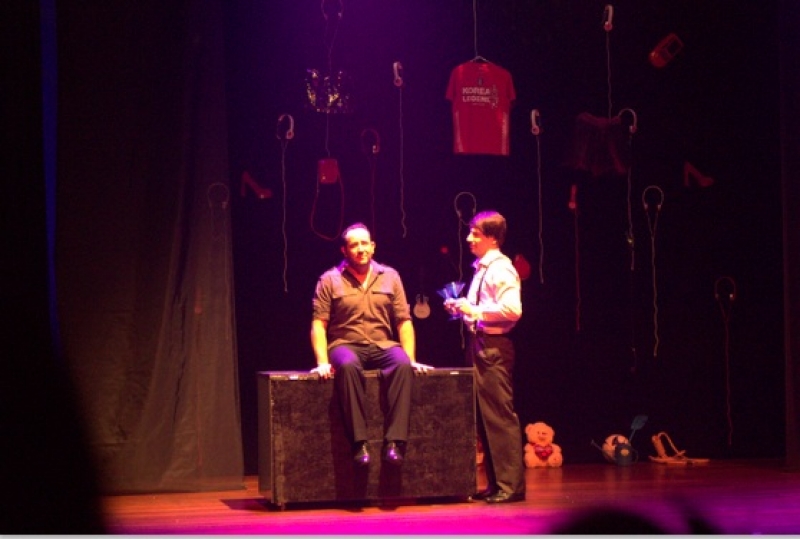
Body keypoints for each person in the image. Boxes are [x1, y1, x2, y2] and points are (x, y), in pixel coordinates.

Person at [310, 222, 432, 467]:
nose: (360, 249)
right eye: (354, 245)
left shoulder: (390, 276)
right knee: (348, 366)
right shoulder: (329, 279)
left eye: (364, 243)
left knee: (402, 365)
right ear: (344, 250)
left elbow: (404, 321)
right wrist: (322, 362)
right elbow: (319, 325)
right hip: (345, 344)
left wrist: (411, 358)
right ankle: (359, 443)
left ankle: (394, 443)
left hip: (382, 344)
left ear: (373, 247)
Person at [444, 210, 525, 504]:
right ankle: (497, 483)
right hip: (480, 344)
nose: (469, 238)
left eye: (476, 233)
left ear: (492, 238)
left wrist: (475, 311)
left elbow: (512, 310)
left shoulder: (501, 268)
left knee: (499, 416)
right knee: (486, 416)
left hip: (493, 347)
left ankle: (510, 486)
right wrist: (462, 307)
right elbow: (482, 307)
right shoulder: (482, 268)